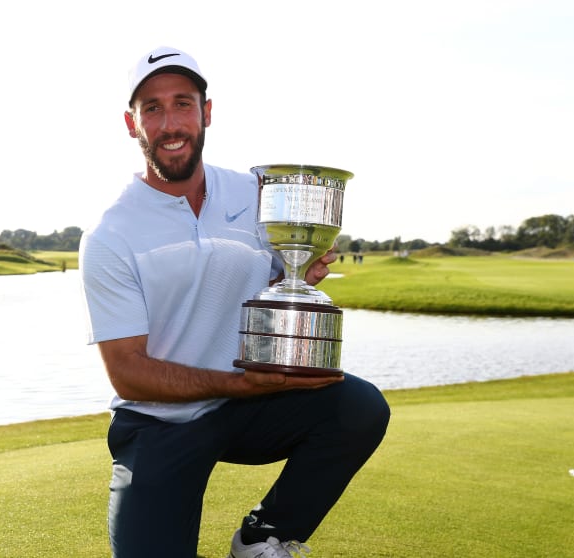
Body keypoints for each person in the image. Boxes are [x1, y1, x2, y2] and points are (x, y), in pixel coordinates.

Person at [79, 46, 390, 558]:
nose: (169, 122)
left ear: (206, 112)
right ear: (131, 123)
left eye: (182, 103)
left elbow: (278, 278)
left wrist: (300, 273)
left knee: (357, 406)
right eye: (152, 108)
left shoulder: (258, 194)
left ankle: (261, 538)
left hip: (250, 409)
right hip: (161, 422)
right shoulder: (112, 234)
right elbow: (128, 373)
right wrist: (239, 382)